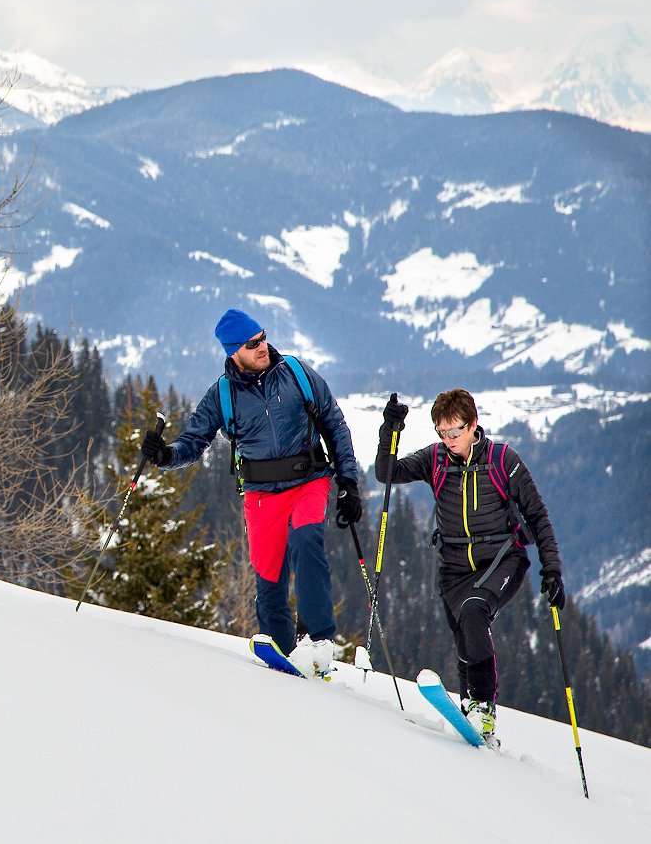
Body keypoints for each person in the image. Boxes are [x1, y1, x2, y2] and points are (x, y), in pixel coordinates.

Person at [141, 308, 362, 677]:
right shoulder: (222, 395)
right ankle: (283, 655)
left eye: (262, 337)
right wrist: (165, 456)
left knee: (307, 539)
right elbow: (193, 441)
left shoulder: (297, 373)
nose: (263, 346)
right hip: (261, 495)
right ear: (233, 352)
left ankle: (318, 641)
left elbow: (334, 423)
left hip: (309, 480)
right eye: (252, 343)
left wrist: (349, 482)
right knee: (269, 577)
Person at [375, 388, 564, 740]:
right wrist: (390, 430)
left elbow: (538, 516)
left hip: (501, 560)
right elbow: (386, 473)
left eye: (455, 432)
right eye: (442, 433)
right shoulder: (435, 459)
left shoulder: (503, 460)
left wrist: (552, 569)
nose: (448, 440)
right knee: (464, 637)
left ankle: (483, 707)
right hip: (454, 566)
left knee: (475, 612)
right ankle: (471, 711)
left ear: (473, 424)